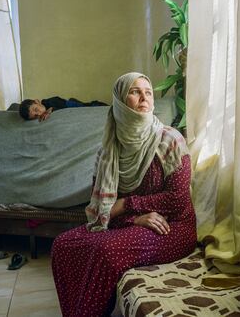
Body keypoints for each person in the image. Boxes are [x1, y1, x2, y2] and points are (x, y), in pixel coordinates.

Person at [51, 72, 197, 317]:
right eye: (135, 91)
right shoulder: (108, 150)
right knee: (62, 245)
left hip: (172, 227)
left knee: (107, 252)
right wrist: (134, 217)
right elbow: (103, 209)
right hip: (131, 223)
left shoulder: (169, 140)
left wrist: (128, 204)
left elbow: (177, 200)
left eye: (148, 92)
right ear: (119, 101)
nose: (144, 97)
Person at [19, 96, 107, 121]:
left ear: (37, 101)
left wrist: (52, 109)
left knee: (92, 106)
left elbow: (63, 108)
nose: (39, 114)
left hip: (89, 106)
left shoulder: (50, 101)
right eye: (35, 116)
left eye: (36, 109)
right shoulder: (42, 116)